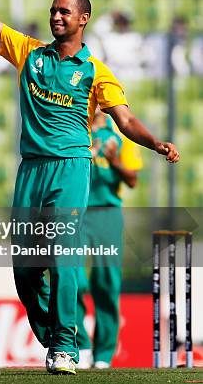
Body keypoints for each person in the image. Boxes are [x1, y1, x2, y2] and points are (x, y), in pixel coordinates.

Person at [0, 0, 179, 375]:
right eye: (52, 11)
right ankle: (54, 336)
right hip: (31, 169)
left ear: (83, 19)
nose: (56, 17)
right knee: (25, 268)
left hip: (70, 167)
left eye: (64, 12)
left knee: (63, 254)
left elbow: (125, 118)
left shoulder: (96, 71)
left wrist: (155, 143)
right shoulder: (30, 54)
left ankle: (66, 344)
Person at [75, 109, 142, 369]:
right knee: (73, 279)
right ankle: (79, 346)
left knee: (106, 281)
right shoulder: (75, 131)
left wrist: (115, 162)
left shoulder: (120, 137)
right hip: (74, 211)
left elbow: (133, 180)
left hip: (107, 213)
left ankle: (103, 354)